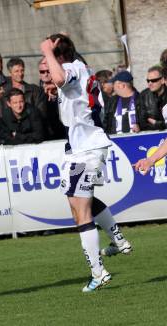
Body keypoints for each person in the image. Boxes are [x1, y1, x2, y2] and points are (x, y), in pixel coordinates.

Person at [40, 33, 132, 292]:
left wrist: (47, 50)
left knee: (80, 209)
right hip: (83, 147)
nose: (45, 64)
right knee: (78, 201)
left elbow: (60, 76)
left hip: (87, 148)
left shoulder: (69, 68)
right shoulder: (80, 67)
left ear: (59, 55)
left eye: (49, 57)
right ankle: (117, 240)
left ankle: (98, 271)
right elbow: (66, 86)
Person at [103, 71, 142, 135]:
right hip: (116, 142)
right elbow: (106, 124)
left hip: (137, 141)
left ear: (122, 85)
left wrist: (141, 127)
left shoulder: (141, 99)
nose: (113, 87)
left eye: (114, 84)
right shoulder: (112, 101)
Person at [38, 57, 66, 140]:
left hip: (64, 132)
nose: (46, 74)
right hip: (45, 134)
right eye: (42, 72)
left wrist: (57, 91)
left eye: (48, 71)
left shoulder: (63, 90)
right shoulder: (36, 91)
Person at [138, 66, 167, 131]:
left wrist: (157, 124)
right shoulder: (144, 95)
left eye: (154, 80)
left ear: (162, 80)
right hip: (151, 136)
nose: (150, 83)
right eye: (148, 81)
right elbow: (142, 123)